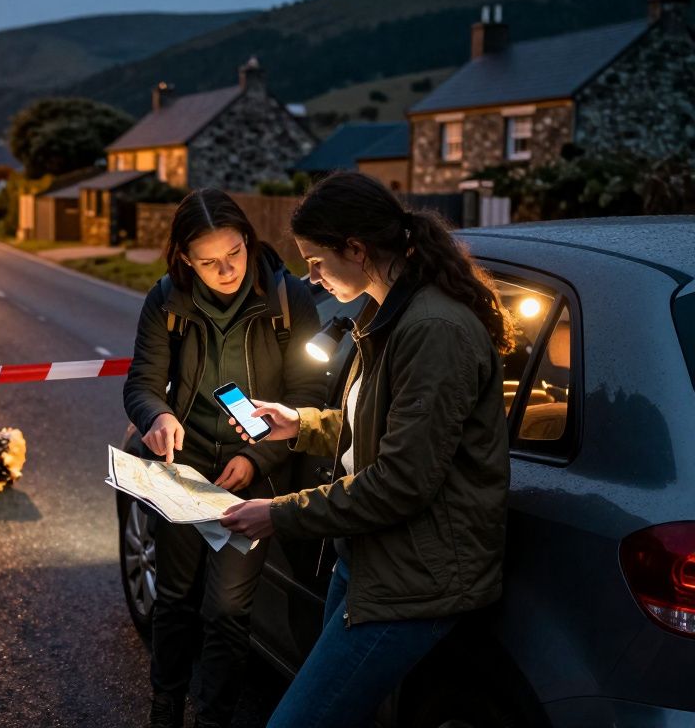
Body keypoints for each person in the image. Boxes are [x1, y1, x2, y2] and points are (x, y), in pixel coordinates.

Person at [219, 171, 516, 728]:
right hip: (368, 559)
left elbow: (402, 480)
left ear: (356, 248)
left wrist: (277, 515)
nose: (311, 277)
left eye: (316, 261)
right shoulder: (387, 314)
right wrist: (300, 424)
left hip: (413, 579)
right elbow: (379, 425)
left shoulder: (433, 330)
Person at [123, 188, 325, 728]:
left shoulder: (288, 300)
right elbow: (142, 384)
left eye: (234, 253)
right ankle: (163, 712)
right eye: (208, 261)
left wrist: (258, 459)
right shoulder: (167, 300)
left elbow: (308, 400)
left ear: (248, 240)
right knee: (173, 601)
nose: (226, 269)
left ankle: (214, 719)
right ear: (184, 258)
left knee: (229, 611)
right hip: (183, 472)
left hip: (255, 474)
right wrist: (157, 418)